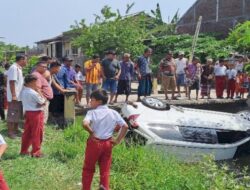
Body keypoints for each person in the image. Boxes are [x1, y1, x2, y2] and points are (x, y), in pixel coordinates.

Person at [82, 89, 128, 190]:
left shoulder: (92, 112)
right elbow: (125, 126)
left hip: (95, 142)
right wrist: (117, 140)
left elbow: (85, 124)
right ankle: (104, 187)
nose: (90, 102)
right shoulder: (113, 112)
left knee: (88, 168)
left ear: (99, 101)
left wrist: (91, 132)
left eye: (92, 100)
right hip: (108, 143)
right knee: (105, 169)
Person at [20, 75, 46, 157]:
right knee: (37, 132)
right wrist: (39, 92)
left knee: (27, 132)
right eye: (35, 82)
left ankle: (24, 150)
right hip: (36, 113)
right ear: (31, 83)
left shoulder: (23, 91)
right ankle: (36, 152)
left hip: (28, 112)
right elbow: (43, 102)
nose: (36, 84)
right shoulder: (33, 92)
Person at [6, 55, 27, 138]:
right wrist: (14, 95)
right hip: (14, 97)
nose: (26, 62)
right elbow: (12, 82)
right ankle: (10, 132)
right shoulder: (14, 68)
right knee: (12, 114)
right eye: (26, 60)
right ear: (21, 60)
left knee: (17, 114)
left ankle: (15, 129)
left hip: (18, 96)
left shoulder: (19, 68)